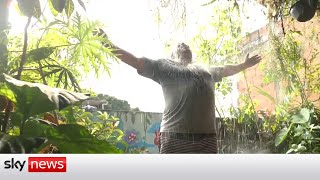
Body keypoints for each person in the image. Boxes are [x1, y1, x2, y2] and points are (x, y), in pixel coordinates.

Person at [97, 29, 261, 153]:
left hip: (207, 139)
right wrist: (108, 44)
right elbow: (135, 61)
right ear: (172, 54)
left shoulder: (205, 70)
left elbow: (226, 69)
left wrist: (244, 65)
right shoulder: (163, 66)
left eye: (186, 44)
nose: (183, 44)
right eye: (179, 45)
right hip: (175, 138)